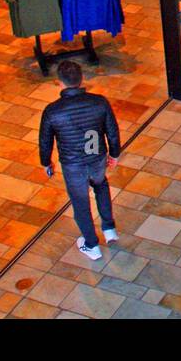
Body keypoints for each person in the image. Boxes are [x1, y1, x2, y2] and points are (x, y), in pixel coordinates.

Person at [37, 60, 121, 260]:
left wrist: (46, 162)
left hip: (73, 164)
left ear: (60, 82)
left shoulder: (53, 111)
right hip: (96, 157)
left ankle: (91, 244)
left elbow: (45, 141)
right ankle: (109, 228)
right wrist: (114, 154)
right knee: (100, 185)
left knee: (81, 202)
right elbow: (112, 131)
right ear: (81, 79)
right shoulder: (99, 102)